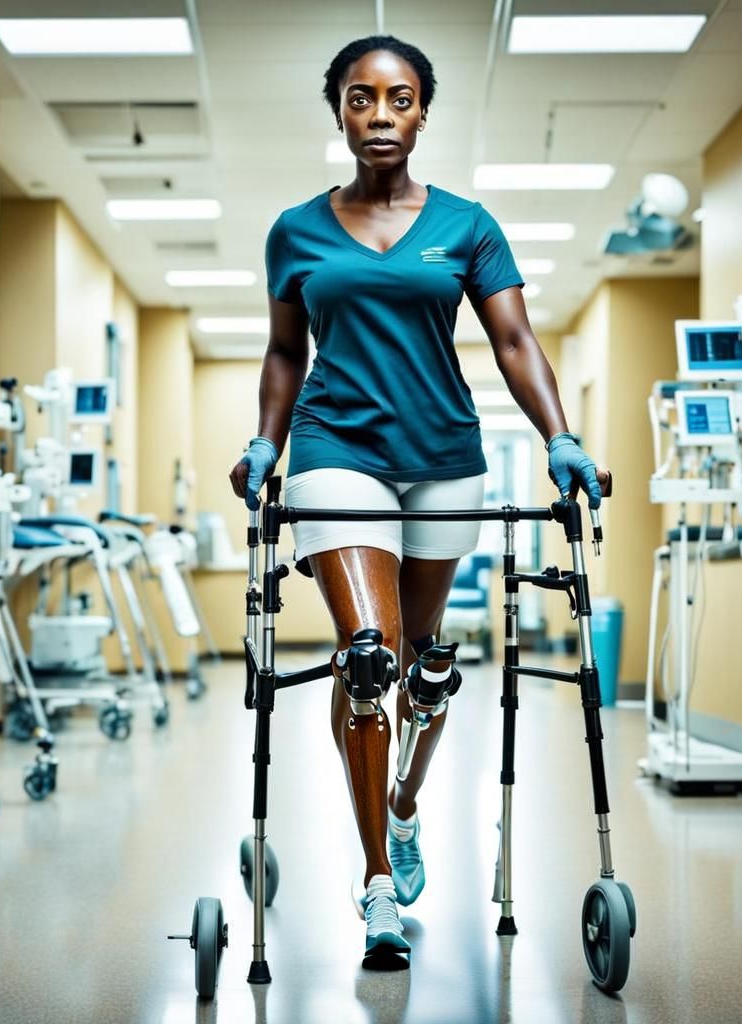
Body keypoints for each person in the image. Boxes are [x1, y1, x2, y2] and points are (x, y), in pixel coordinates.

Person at [230, 34, 605, 971]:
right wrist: (267, 442)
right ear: (341, 113)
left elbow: (515, 341)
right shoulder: (296, 231)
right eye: (362, 99)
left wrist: (559, 434)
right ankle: (375, 886)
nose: (381, 115)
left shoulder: (468, 225)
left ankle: (403, 807)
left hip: (444, 455)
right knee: (366, 660)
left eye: (399, 99)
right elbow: (286, 353)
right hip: (335, 450)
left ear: (423, 112)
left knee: (422, 668)